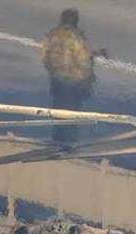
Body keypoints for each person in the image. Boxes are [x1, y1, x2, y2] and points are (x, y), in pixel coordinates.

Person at [41, 8, 104, 143]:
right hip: (74, 82)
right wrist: (87, 78)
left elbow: (45, 58)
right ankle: (68, 144)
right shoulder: (76, 37)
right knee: (72, 114)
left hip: (57, 80)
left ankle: (57, 139)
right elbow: (83, 59)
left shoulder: (52, 35)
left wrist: (54, 71)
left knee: (58, 111)